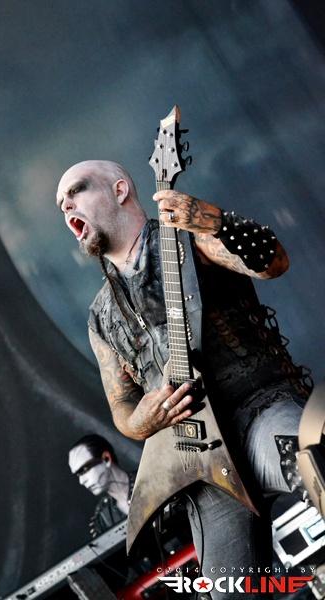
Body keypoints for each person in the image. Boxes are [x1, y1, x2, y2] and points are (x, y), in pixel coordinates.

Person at [57, 160, 311, 599]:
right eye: (61, 203)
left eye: (77, 191)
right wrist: (143, 418)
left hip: (261, 411)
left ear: (120, 190)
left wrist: (216, 222)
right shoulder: (101, 316)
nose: (66, 206)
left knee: (312, 463)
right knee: (229, 592)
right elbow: (121, 409)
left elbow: (274, 262)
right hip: (202, 463)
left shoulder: (189, 239)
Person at [69, 434, 134, 538]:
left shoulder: (150, 478)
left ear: (106, 459)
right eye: (78, 474)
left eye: (84, 470)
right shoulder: (102, 519)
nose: (81, 481)